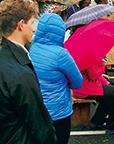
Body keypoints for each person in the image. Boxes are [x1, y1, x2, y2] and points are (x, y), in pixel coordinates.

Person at [0, 0, 58, 144]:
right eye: (31, 23)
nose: (33, 28)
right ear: (20, 25)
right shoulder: (21, 74)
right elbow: (39, 124)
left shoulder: (1, 55)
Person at [29, 13, 83, 144]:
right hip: (59, 111)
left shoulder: (31, 49)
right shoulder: (61, 54)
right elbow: (78, 82)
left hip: (37, 109)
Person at [71, 15, 114, 135]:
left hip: (80, 85)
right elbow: (93, 75)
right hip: (84, 88)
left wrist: (101, 75)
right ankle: (113, 126)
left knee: (110, 88)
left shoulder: (79, 45)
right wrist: (102, 65)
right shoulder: (87, 49)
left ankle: (97, 120)